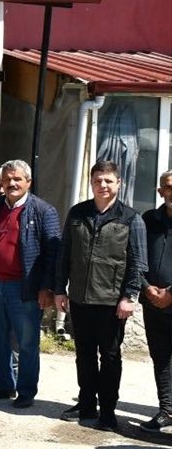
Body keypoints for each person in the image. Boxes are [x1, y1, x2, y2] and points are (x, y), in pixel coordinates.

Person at [54, 160, 146, 430]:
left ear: (118, 183)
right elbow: (64, 254)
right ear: (91, 182)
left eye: (108, 181)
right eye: (98, 180)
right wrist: (60, 289)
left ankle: (107, 410)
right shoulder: (78, 213)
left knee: (110, 357)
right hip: (80, 298)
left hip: (111, 302)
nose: (103, 185)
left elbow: (138, 262)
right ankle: (86, 404)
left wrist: (130, 296)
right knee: (83, 354)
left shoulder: (131, 218)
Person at [0, 159, 61, 409]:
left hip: (23, 288)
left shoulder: (43, 211)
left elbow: (52, 253)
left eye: (17, 179)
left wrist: (46, 288)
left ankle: (25, 390)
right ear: (1, 182)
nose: (12, 183)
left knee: (26, 342)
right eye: (7, 179)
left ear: (28, 182)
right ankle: (4, 385)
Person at [139, 170, 172, 432]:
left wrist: (170, 292)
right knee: (160, 357)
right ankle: (167, 410)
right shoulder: (148, 220)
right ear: (161, 191)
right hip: (152, 302)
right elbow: (135, 258)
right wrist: (147, 289)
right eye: (168, 187)